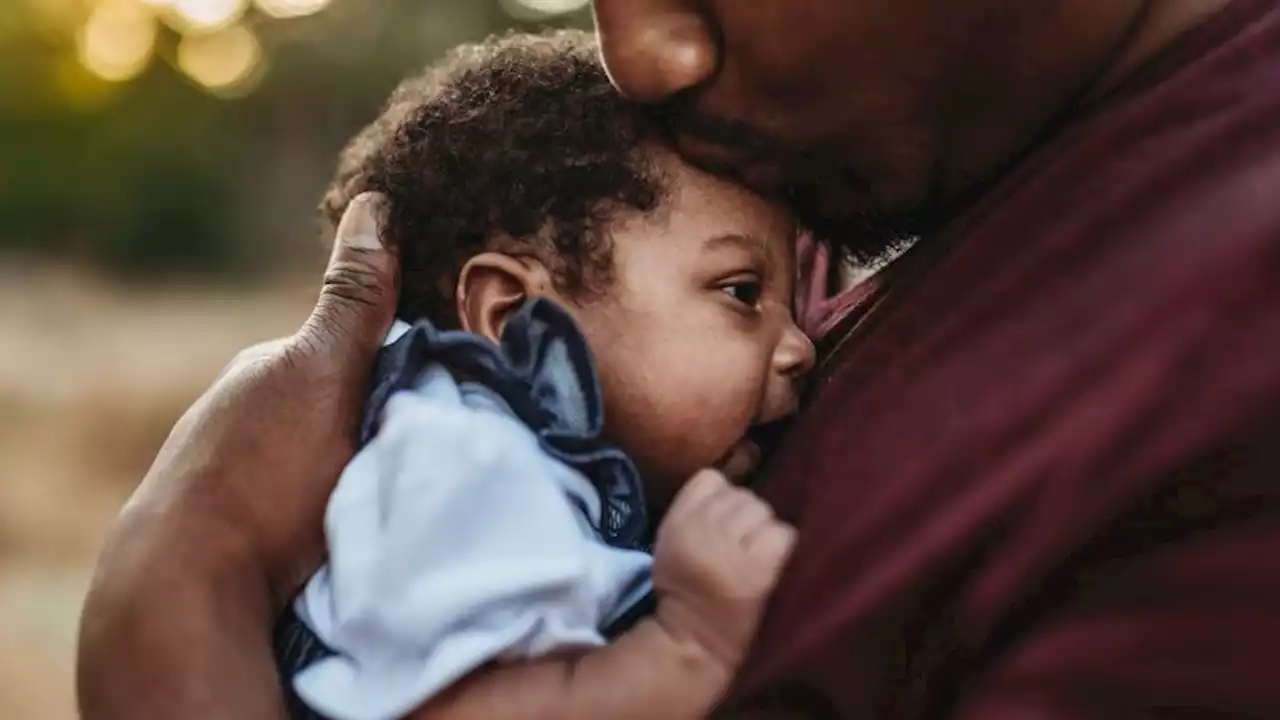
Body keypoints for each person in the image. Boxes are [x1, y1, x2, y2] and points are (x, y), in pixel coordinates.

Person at [78, 0, 1280, 717]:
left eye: (755, 290)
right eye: (745, 292)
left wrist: (174, 587)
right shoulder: (892, 182)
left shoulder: (1220, 393)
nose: (641, 54)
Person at [271, 30, 809, 720]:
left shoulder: (521, 468)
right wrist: (692, 643)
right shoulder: (466, 469)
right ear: (515, 316)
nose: (799, 347)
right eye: (741, 292)